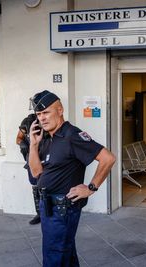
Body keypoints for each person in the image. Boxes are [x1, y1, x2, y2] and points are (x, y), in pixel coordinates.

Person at [28, 90, 116, 266]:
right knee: (65, 253)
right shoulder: (45, 138)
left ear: (60, 110)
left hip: (62, 209)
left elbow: (108, 158)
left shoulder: (71, 135)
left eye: (46, 112)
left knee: (54, 256)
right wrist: (33, 144)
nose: (42, 118)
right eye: (39, 114)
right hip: (47, 206)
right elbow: (37, 172)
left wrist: (91, 188)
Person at [16, 113, 41, 225]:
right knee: (35, 185)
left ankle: (48, 213)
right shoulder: (25, 123)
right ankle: (39, 214)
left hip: (45, 158)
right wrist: (22, 144)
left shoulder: (46, 123)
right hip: (31, 159)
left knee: (47, 185)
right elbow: (18, 138)